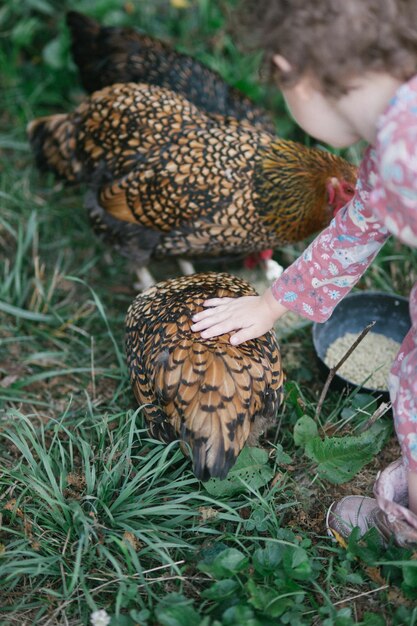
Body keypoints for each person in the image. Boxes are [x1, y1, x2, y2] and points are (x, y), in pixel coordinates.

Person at [191, 0, 417, 546]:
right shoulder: (396, 132)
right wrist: (274, 302)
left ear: (291, 71)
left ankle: (407, 526)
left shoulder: (404, 155)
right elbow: (362, 219)